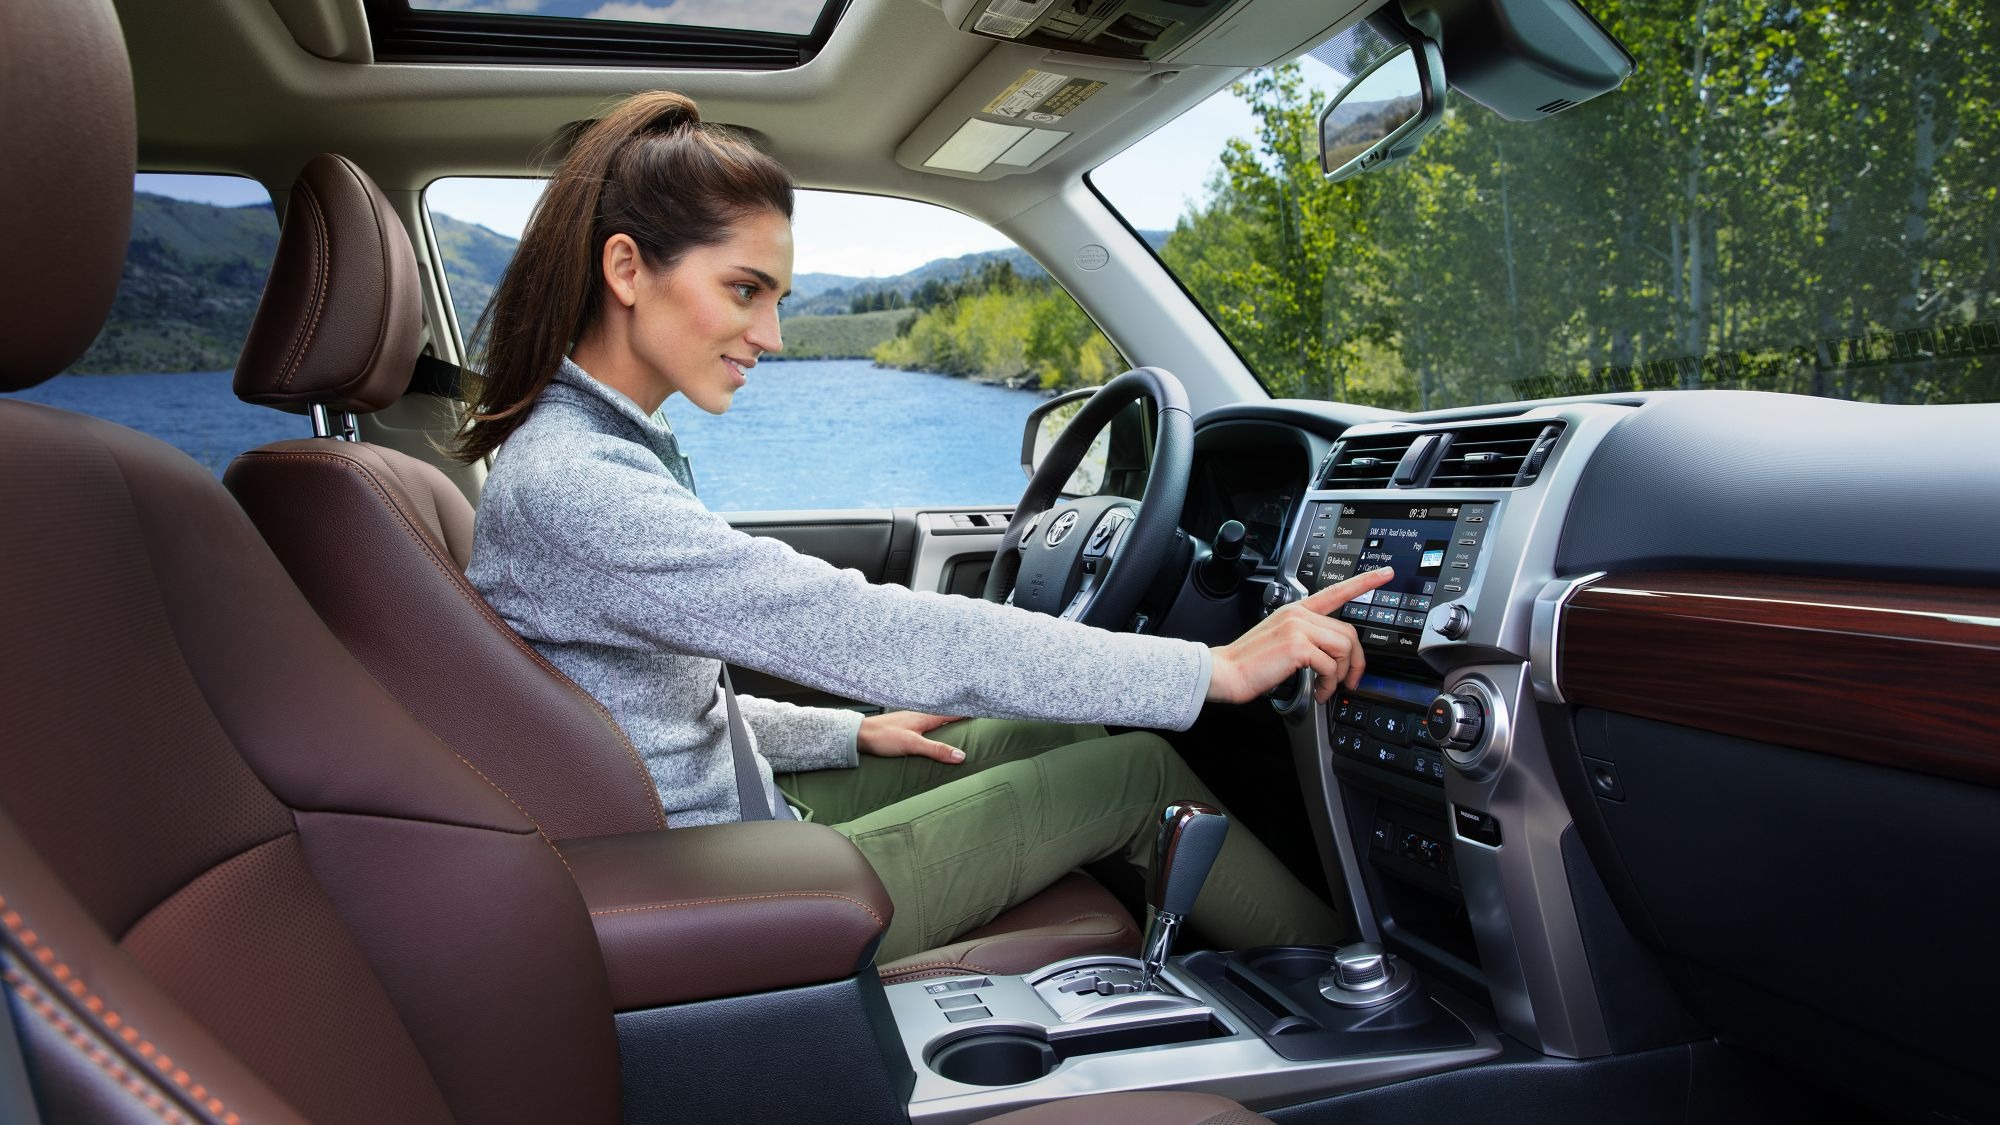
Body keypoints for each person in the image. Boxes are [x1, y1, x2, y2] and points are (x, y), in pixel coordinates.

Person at [454, 90, 1393, 962]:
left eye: (778, 298)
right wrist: (1213, 667)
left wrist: (850, 735)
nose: (773, 335)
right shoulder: (577, 482)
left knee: (1065, 729)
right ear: (627, 268)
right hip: (720, 886)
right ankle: (1362, 996)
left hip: (727, 824)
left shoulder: (597, 449)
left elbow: (653, 713)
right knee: (1140, 773)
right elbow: (854, 628)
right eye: (745, 290)